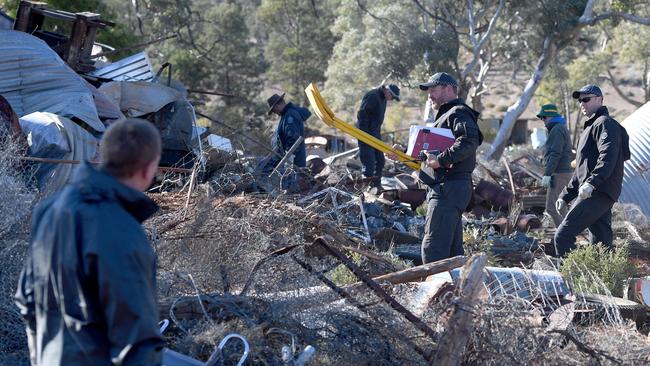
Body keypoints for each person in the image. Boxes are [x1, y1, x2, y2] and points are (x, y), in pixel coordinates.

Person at [15, 119, 165, 365]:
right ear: (149, 168)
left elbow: (27, 298)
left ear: (103, 156)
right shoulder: (122, 230)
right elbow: (137, 342)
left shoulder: (49, 209)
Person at [391, 72, 482, 263]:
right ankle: (455, 290)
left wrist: (441, 159)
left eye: (433, 89)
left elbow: (469, 140)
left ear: (448, 89)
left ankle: (437, 292)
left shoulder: (458, 112)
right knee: (451, 252)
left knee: (433, 250)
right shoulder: (446, 116)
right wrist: (403, 154)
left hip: (447, 188)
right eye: (428, 91)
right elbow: (430, 156)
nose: (429, 95)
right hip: (449, 188)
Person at [554, 85, 630, 256]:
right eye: (580, 100)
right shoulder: (590, 127)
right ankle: (605, 281)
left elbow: (608, 157)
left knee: (562, 236)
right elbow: (581, 169)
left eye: (586, 99)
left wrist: (592, 182)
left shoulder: (605, 124)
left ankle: (569, 280)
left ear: (599, 99)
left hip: (597, 192)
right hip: (595, 192)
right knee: (600, 246)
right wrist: (565, 195)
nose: (582, 103)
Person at [258, 93, 311, 191]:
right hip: (288, 156)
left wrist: (290, 155)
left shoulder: (290, 116)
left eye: (274, 110)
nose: (275, 113)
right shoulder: (287, 114)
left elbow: (292, 137)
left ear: (278, 105)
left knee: (292, 183)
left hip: (293, 157)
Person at [356, 84, 400, 186]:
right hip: (365, 133)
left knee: (380, 161)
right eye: (392, 96)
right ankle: (366, 188)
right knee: (369, 163)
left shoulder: (383, 99)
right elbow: (362, 114)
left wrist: (376, 134)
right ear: (387, 91)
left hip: (375, 133)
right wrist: (365, 135)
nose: (392, 99)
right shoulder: (373, 95)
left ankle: (376, 186)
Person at [537, 104, 573, 228]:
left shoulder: (557, 130)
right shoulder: (558, 128)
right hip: (561, 173)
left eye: (544, 117)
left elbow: (555, 154)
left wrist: (547, 174)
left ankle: (564, 234)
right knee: (560, 206)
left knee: (551, 208)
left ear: (551, 116)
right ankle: (570, 231)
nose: (543, 120)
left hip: (559, 173)